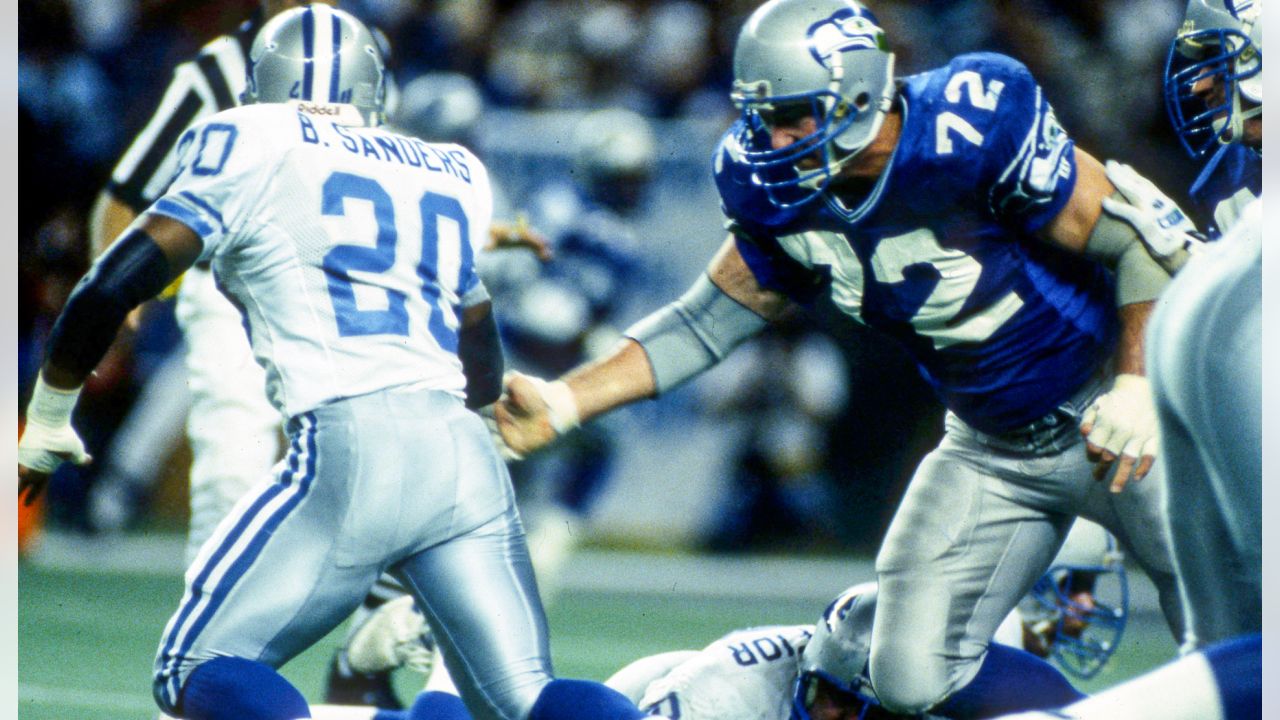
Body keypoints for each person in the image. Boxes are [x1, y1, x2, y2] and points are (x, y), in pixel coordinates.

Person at [495, 0, 1190, 715]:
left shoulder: (968, 122)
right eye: (761, 116)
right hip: (992, 448)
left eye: (792, 114)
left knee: (1232, 626)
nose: (771, 136)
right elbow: (708, 320)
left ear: (857, 93)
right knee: (909, 676)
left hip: (1118, 415)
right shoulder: (772, 187)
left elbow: (1140, 240)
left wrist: (1137, 386)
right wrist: (564, 401)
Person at [17, 8, 661, 720]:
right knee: (523, 697)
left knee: (191, 669)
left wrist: (48, 415)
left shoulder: (251, 135)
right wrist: (479, 429)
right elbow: (476, 330)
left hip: (352, 443)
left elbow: (112, 280)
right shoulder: (451, 168)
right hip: (462, 455)